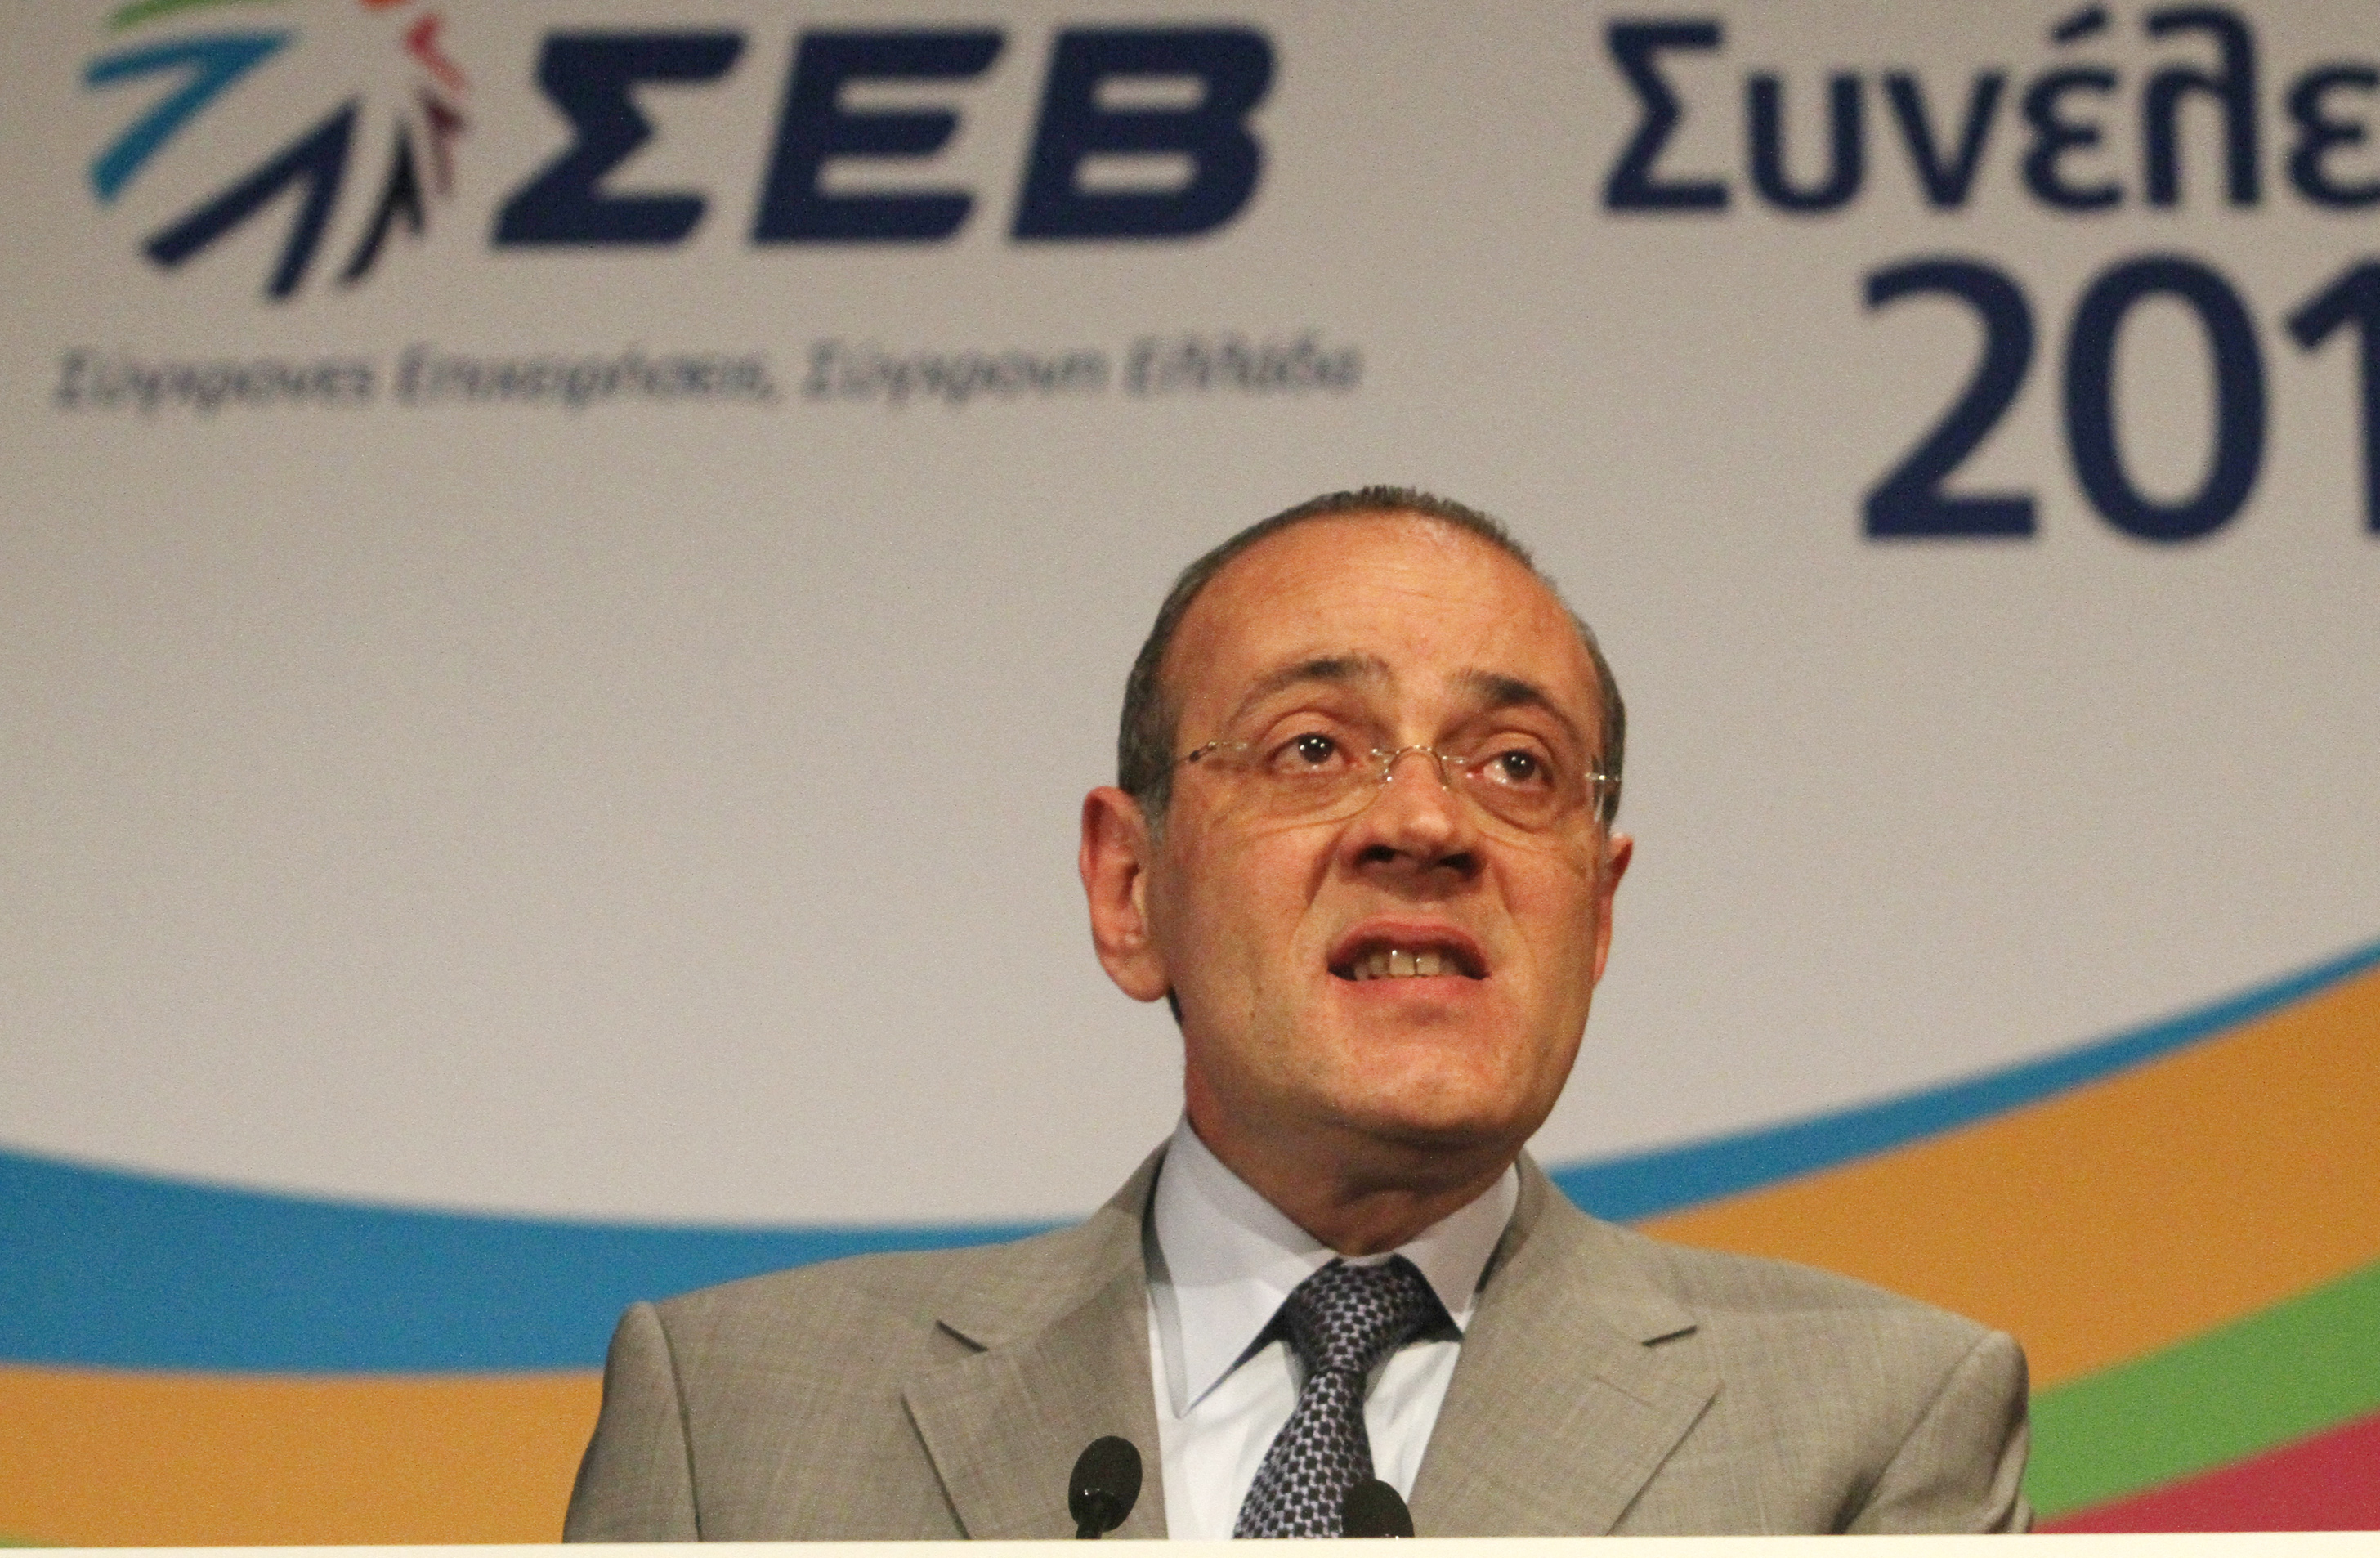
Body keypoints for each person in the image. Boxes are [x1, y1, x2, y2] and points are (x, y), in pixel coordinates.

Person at [565, 488, 2030, 1540]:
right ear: (1129, 886)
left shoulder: (1875, 1422)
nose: (1426, 823)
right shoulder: (736, 1420)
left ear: (1596, 912)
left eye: (1516, 765)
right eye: (1315, 746)